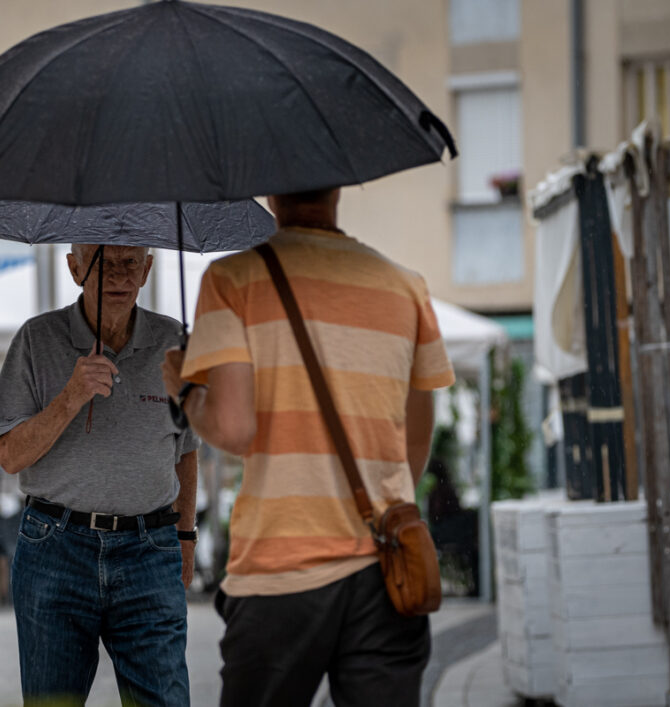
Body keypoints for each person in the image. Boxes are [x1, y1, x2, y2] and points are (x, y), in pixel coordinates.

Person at [163, 188, 454, 707]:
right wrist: (385, 504)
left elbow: (233, 429)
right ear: (339, 188)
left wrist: (185, 390)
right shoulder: (405, 287)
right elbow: (416, 430)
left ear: (272, 193)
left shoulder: (233, 281)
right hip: (387, 567)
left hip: (281, 569)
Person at [0, 244, 200, 707]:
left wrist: (186, 536)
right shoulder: (36, 339)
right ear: (74, 267)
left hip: (151, 549)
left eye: (131, 263)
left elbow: (185, 451)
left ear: (148, 269)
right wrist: (70, 397)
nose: (119, 276)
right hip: (55, 548)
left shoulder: (176, 343)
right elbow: (9, 455)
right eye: (103, 263)